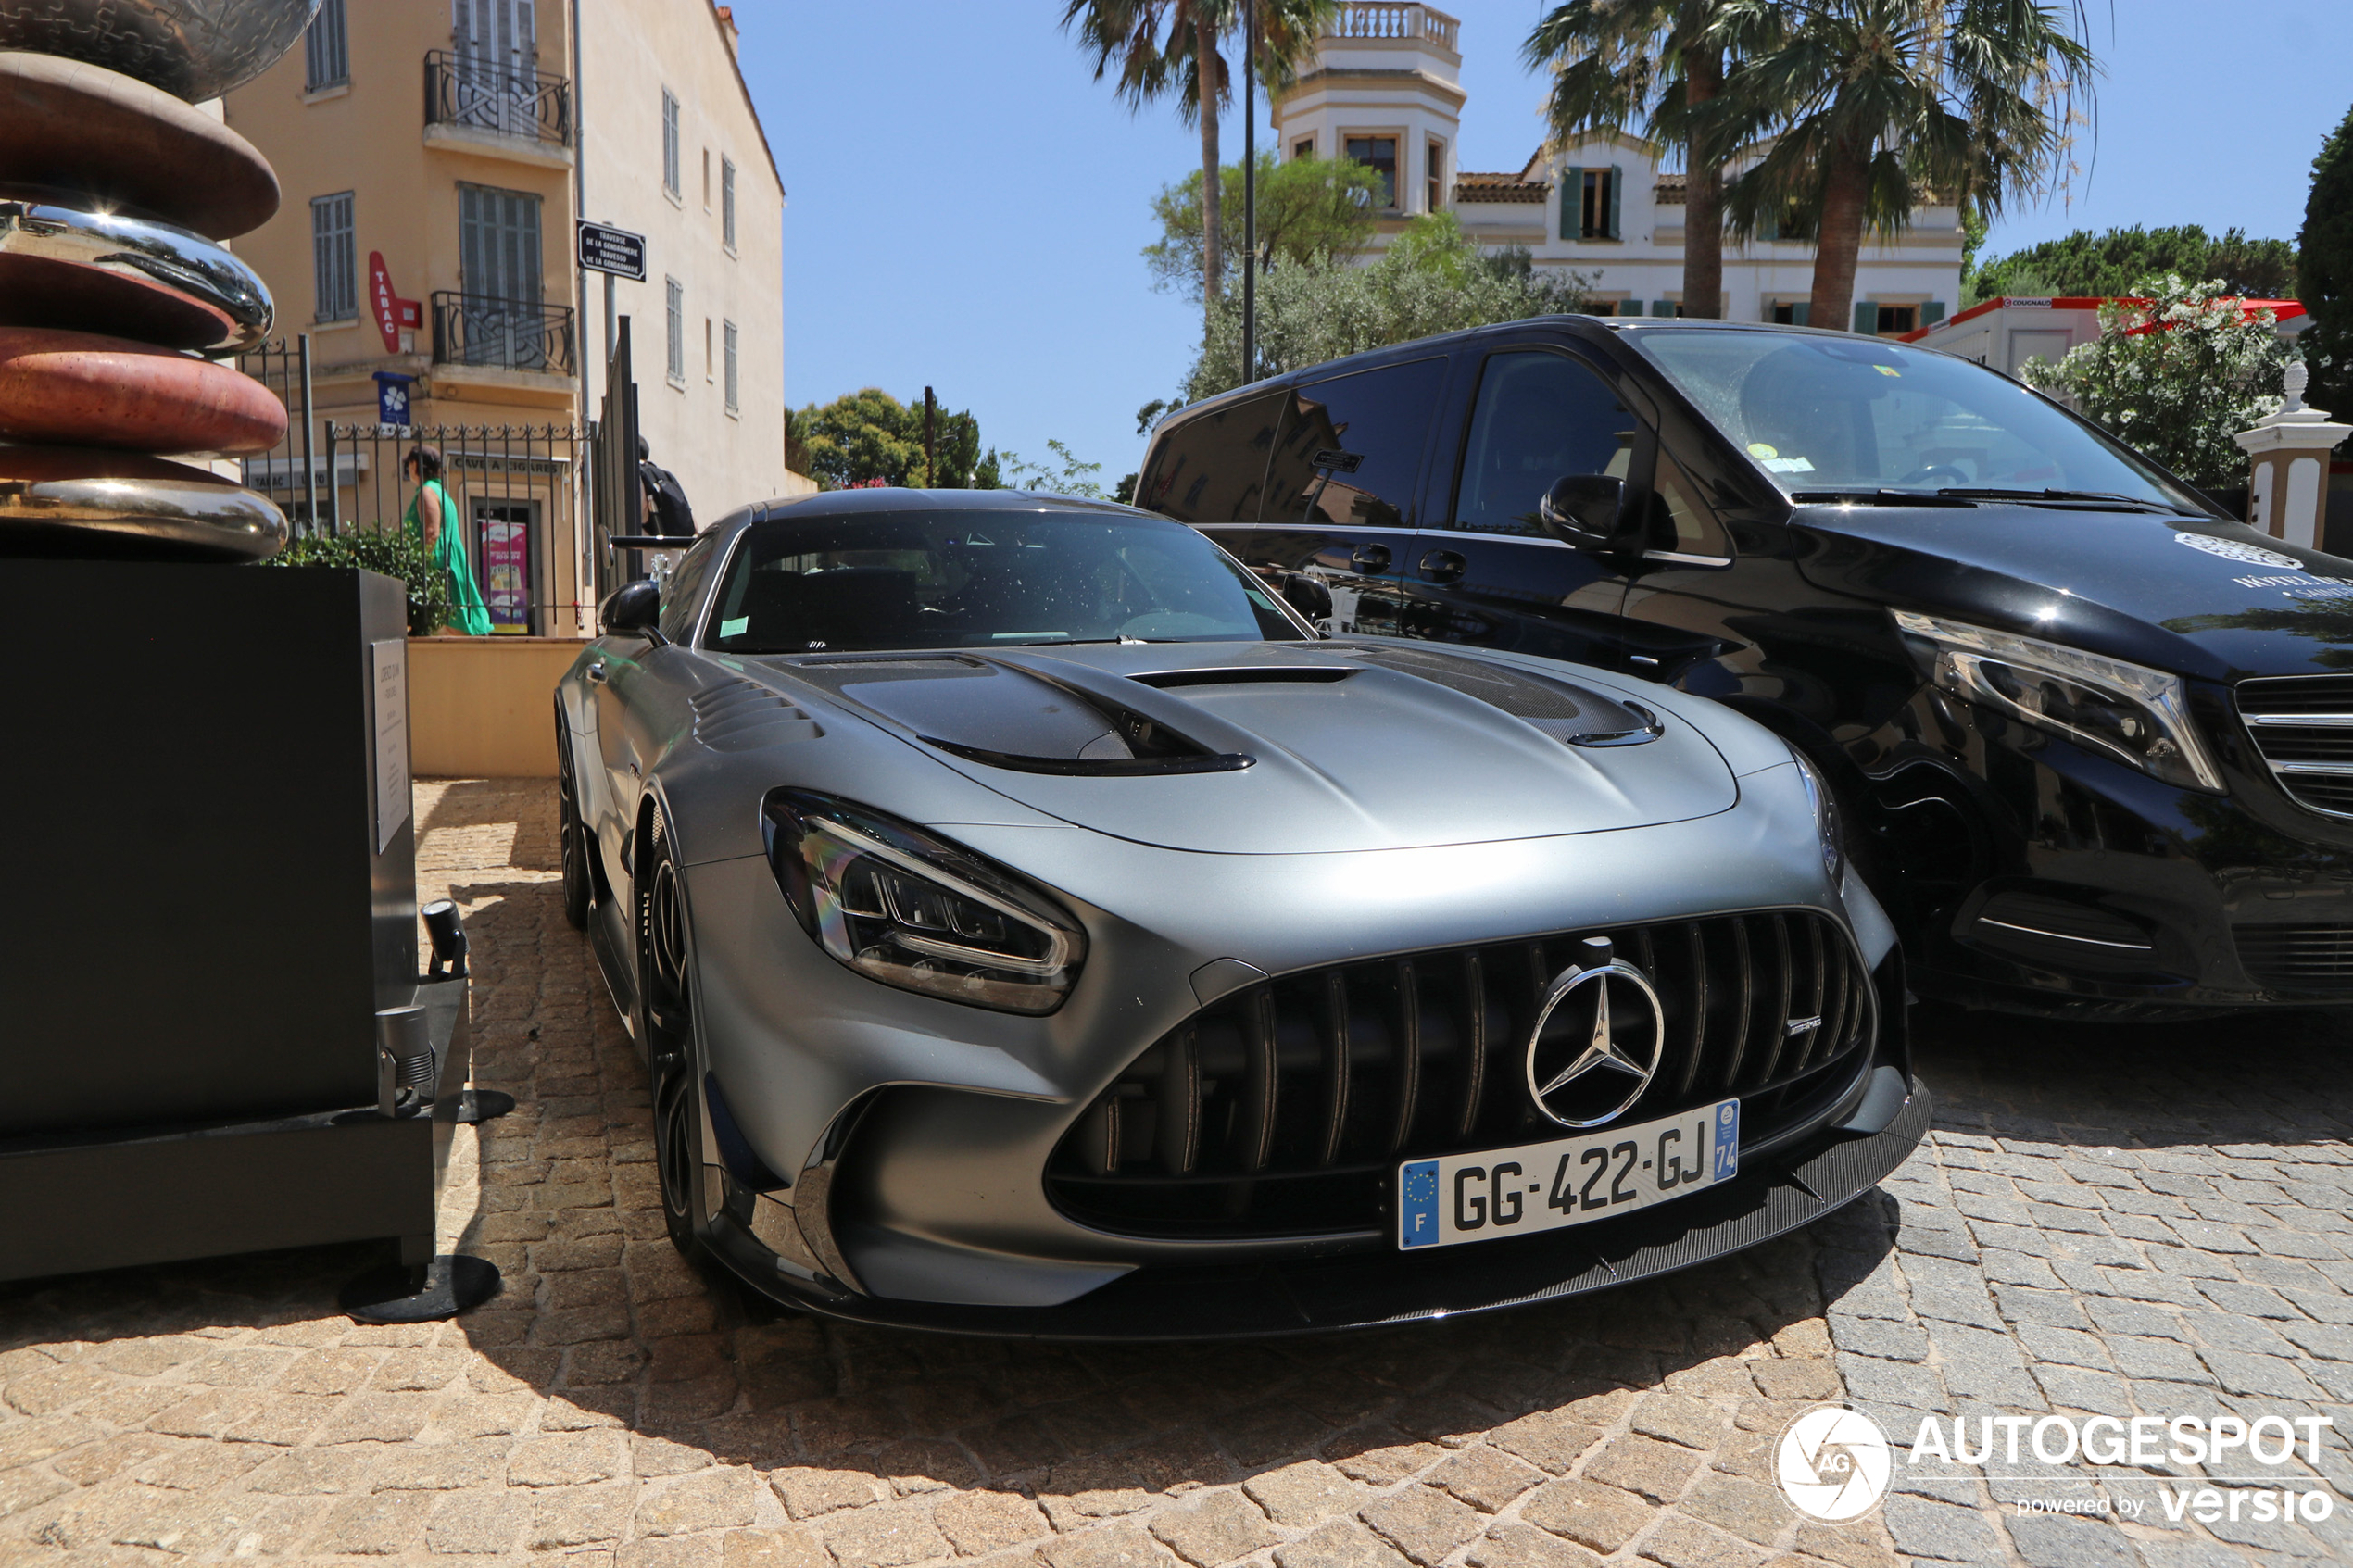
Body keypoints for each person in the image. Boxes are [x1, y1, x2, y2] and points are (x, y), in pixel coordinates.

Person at [402, 445, 495, 636]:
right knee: (457, 622)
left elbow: (431, 532)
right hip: (452, 561)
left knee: (445, 623)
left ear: (415, 465)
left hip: (438, 565)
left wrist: (419, 568)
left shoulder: (427, 492)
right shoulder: (443, 493)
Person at [638, 435, 696, 538]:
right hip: (675, 548)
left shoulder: (637, 476)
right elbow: (693, 524)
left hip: (649, 548)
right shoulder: (667, 476)